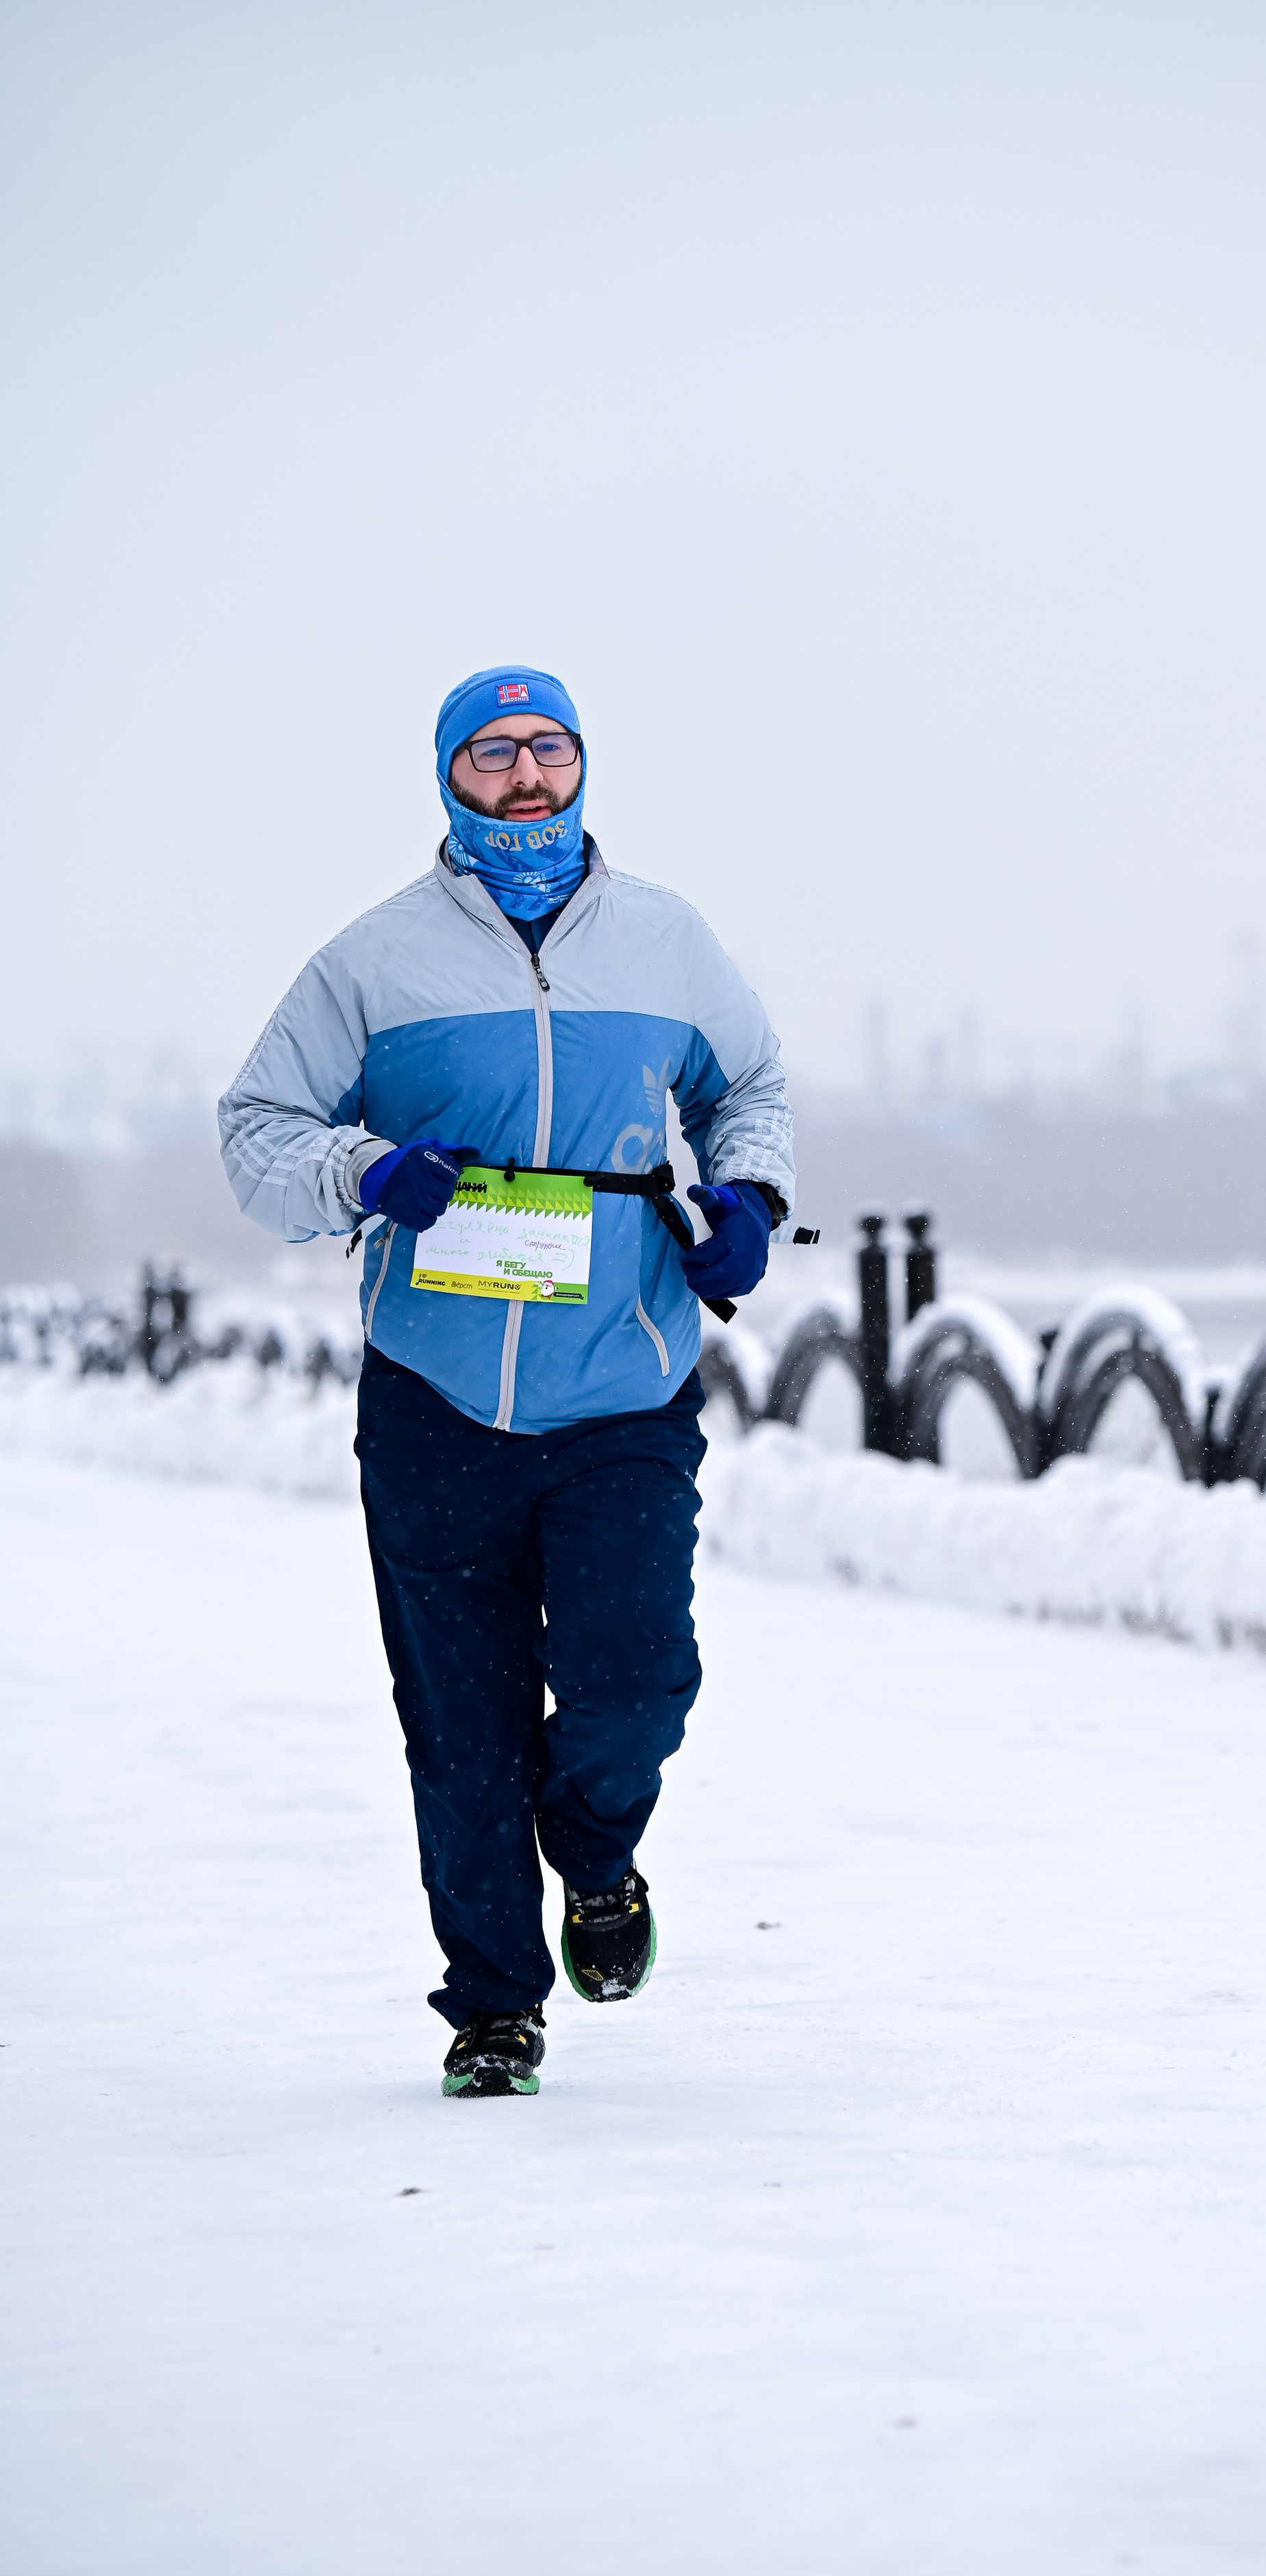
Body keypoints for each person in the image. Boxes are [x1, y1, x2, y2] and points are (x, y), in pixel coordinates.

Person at [220, 666, 794, 2099]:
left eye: (547, 749)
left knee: (635, 1678)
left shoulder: (665, 941)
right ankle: (491, 2007)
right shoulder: (374, 960)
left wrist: (749, 1196)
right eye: (493, 754)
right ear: (448, 776)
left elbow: (752, 1088)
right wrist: (362, 1169)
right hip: (435, 1395)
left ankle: (595, 1854)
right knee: (460, 1723)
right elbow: (257, 1130)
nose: (525, 776)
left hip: (623, 1379)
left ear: (584, 766)